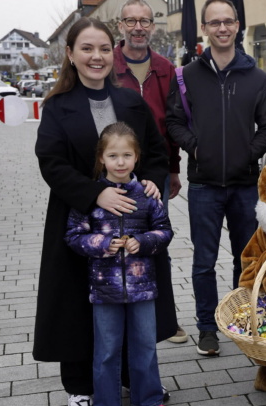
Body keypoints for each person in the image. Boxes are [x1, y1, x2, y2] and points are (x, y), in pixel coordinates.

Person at [33, 17, 177, 406]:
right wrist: (96, 192)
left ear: (111, 54)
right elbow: (52, 162)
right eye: (86, 49)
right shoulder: (58, 106)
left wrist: (149, 180)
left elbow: (154, 151)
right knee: (78, 302)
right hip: (80, 217)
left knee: (134, 297)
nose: (96, 57)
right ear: (71, 54)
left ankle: (138, 379)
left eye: (102, 49)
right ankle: (80, 386)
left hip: (131, 220)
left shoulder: (131, 101)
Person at [165, 0, 266, 356]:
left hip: (246, 183)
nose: (222, 28)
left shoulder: (257, 77)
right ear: (205, 28)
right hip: (204, 184)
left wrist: (248, 152)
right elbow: (173, 122)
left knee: (246, 259)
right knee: (203, 260)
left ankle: (242, 319)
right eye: (214, 23)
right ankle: (207, 328)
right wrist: (196, 148)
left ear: (238, 25)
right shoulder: (187, 75)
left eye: (228, 22)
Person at [65, 122, 174, 406]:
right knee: (107, 348)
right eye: (113, 155)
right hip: (103, 288)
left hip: (143, 287)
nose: (121, 162)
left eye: (127, 155)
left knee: (144, 345)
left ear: (137, 158)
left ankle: (148, 401)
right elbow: (73, 236)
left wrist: (145, 241)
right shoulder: (91, 197)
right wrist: (101, 245)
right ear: (101, 159)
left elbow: (165, 230)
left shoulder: (148, 195)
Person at [114, 0, 187, 344]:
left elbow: (171, 123)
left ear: (153, 27)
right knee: (115, 238)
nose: (138, 27)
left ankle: (164, 321)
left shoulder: (165, 68)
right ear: (120, 25)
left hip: (155, 169)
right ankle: (118, 313)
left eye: (145, 21)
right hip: (114, 168)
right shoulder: (109, 65)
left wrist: (172, 169)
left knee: (156, 241)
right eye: (131, 21)